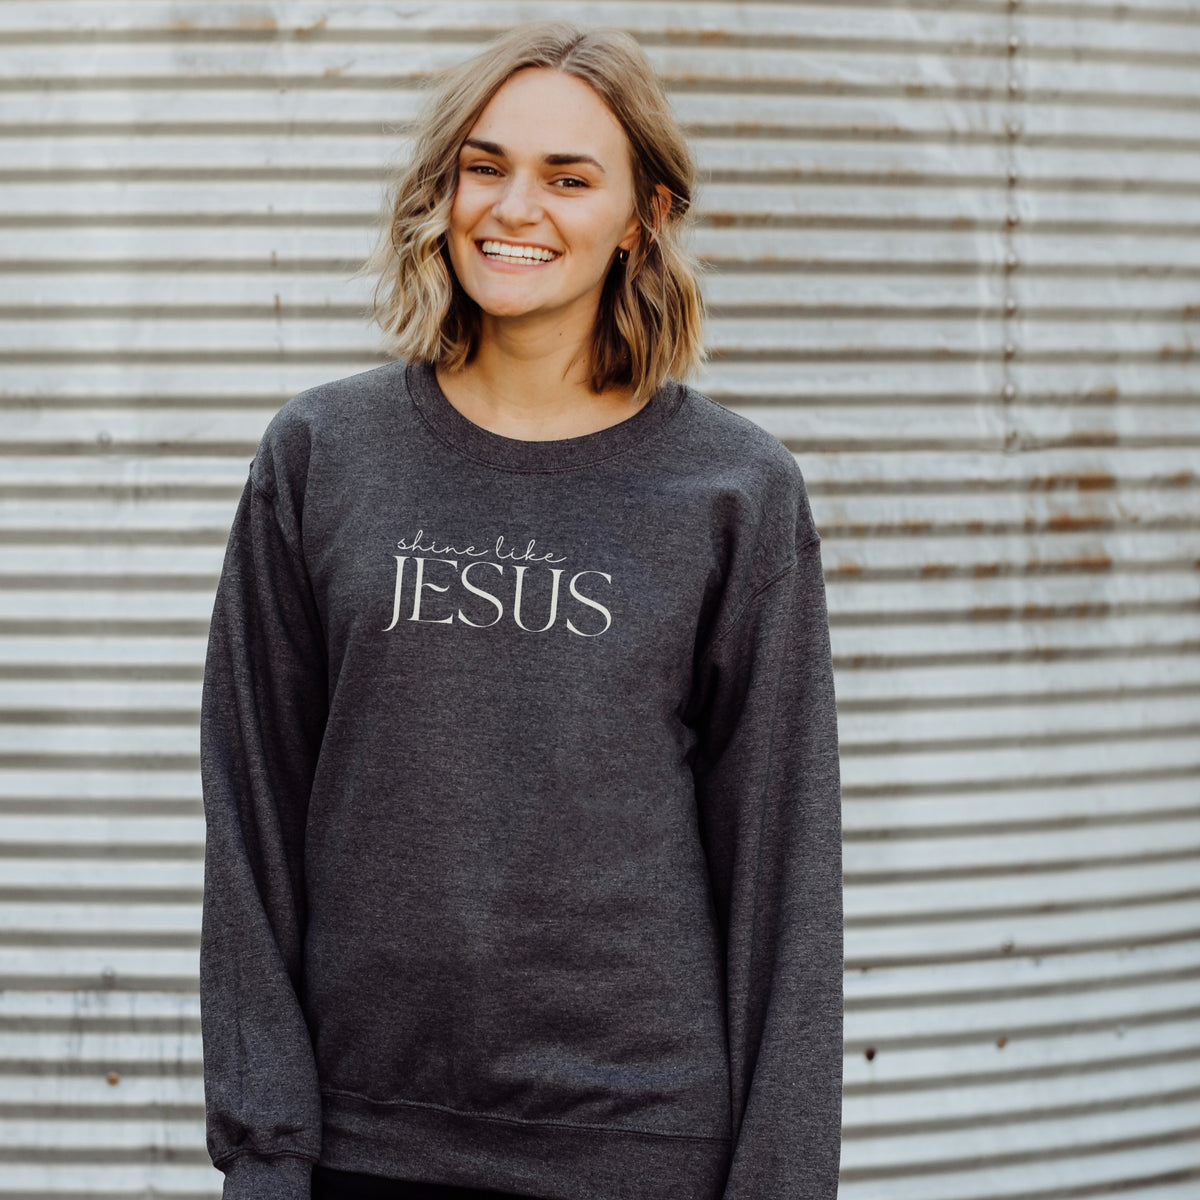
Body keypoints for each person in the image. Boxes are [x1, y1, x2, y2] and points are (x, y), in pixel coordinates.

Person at [199, 19, 843, 1200]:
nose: (514, 208)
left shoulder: (734, 490)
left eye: (569, 176)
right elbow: (251, 819)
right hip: (362, 1141)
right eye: (484, 166)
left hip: (639, 1149)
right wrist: (266, 1146)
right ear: (442, 188)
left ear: (644, 214)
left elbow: (782, 873)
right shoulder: (322, 458)